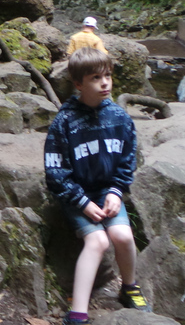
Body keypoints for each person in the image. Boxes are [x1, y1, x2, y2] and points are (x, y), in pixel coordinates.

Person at [44, 48, 151, 324]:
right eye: (95, 78)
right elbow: (55, 172)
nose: (105, 83)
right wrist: (82, 203)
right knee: (98, 241)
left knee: (124, 237)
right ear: (78, 84)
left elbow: (127, 161)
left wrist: (117, 191)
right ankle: (78, 313)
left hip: (107, 192)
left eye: (107, 76)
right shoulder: (64, 122)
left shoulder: (120, 117)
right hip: (77, 196)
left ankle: (129, 288)